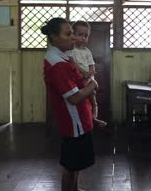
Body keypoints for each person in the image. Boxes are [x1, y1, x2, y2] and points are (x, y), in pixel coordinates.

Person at [41, 18, 97, 191]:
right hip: (75, 123)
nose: (73, 37)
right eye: (68, 34)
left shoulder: (62, 58)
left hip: (78, 120)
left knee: (76, 164)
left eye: (73, 33)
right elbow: (73, 98)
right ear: (54, 36)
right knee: (71, 166)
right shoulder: (58, 65)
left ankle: (75, 188)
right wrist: (93, 86)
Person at [66, 21, 107, 127]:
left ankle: (94, 118)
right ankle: (83, 121)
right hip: (78, 81)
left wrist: (91, 72)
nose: (83, 38)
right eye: (80, 35)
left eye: (86, 35)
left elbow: (92, 64)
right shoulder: (71, 50)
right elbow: (73, 64)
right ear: (73, 35)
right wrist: (84, 73)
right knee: (82, 104)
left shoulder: (87, 51)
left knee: (94, 103)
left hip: (89, 80)